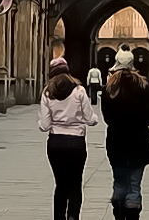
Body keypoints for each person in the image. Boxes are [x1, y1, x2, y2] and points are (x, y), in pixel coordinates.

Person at [101, 49, 149, 220]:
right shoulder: (143, 86)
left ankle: (118, 212)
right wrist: (143, 121)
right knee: (134, 184)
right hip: (139, 141)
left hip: (116, 142)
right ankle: (133, 214)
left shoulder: (109, 89)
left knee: (119, 181)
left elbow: (107, 118)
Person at [38, 57, 98, 220]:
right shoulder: (79, 90)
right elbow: (89, 119)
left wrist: (44, 122)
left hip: (56, 143)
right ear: (67, 71)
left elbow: (44, 125)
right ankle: (73, 216)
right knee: (76, 183)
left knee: (60, 184)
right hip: (76, 142)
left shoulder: (47, 92)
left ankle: (59, 217)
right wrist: (94, 119)